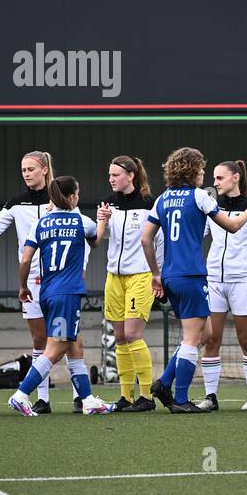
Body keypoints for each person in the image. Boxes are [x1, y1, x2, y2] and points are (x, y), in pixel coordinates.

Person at [142, 147, 247, 413]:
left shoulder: (163, 198)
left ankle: (164, 382)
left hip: (170, 275)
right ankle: (180, 398)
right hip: (192, 275)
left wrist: (155, 273)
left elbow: (146, 238)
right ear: (191, 170)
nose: (203, 174)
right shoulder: (199, 196)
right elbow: (233, 226)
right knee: (192, 338)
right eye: (201, 169)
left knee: (206, 334)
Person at [0, 151, 82, 413]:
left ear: (45, 169)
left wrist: (79, 269)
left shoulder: (62, 198)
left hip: (61, 280)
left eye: (31, 169)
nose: (26, 174)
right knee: (39, 341)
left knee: (70, 339)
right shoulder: (16, 202)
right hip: (34, 281)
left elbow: (83, 235)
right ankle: (43, 399)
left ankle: (80, 397)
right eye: (23, 169)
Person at [7, 177, 111, 416]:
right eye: (78, 193)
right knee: (55, 349)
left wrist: (22, 287)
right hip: (68, 294)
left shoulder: (40, 224)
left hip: (46, 293)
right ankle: (21, 394)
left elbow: (26, 259)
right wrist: (103, 221)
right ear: (73, 196)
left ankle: (87, 400)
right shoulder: (81, 221)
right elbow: (96, 242)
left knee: (74, 345)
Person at [199, 159, 247, 411]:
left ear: (235, 178)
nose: (215, 182)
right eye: (214, 178)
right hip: (213, 281)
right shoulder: (212, 207)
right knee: (211, 340)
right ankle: (210, 397)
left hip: (243, 281)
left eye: (219, 178)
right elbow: (199, 236)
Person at [94, 155, 160, 412]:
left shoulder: (149, 204)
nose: (111, 179)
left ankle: (146, 396)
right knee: (120, 337)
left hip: (141, 275)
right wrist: (101, 220)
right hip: (114, 276)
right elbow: (99, 239)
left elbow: (159, 241)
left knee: (133, 334)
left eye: (116, 175)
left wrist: (158, 274)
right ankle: (126, 396)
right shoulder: (107, 203)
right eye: (109, 175)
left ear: (130, 176)